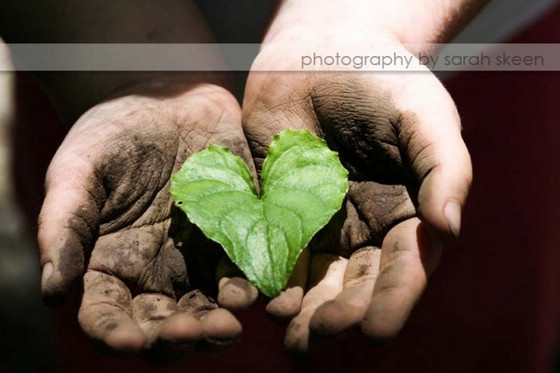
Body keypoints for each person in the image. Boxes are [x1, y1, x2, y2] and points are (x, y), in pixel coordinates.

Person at [0, 0, 483, 364]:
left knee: (449, 340)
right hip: (88, 40)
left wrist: (359, 25)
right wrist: (130, 72)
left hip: (455, 39)